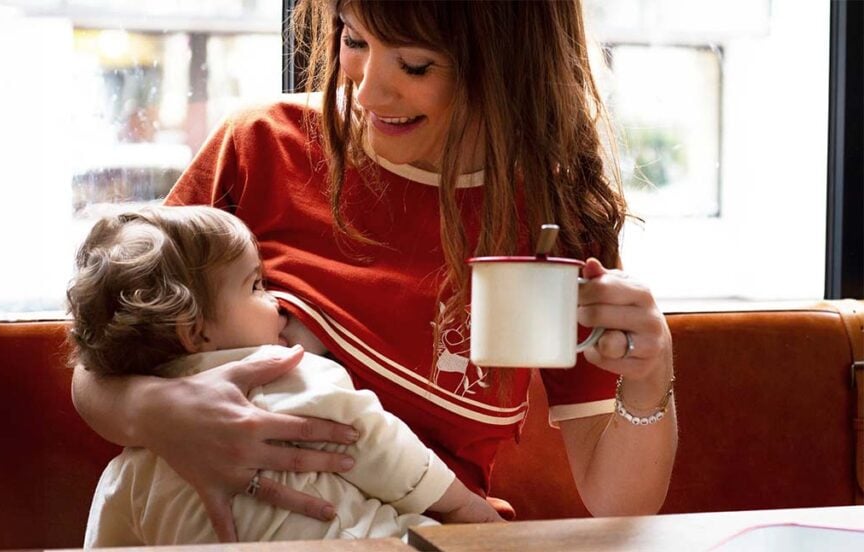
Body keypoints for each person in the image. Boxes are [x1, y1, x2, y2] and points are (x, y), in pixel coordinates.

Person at [72, 0, 678, 542]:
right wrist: (162, 414)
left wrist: (650, 375)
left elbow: (617, 501)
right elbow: (95, 372)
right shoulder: (259, 146)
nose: (366, 93)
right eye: (354, 40)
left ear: (506, 64)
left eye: (414, 66)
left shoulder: (557, 216)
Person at [69, 206, 500, 546]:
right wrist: (461, 504)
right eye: (256, 285)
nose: (276, 300)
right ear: (195, 332)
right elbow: (375, 442)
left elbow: (110, 541)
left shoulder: (126, 475)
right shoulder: (287, 373)